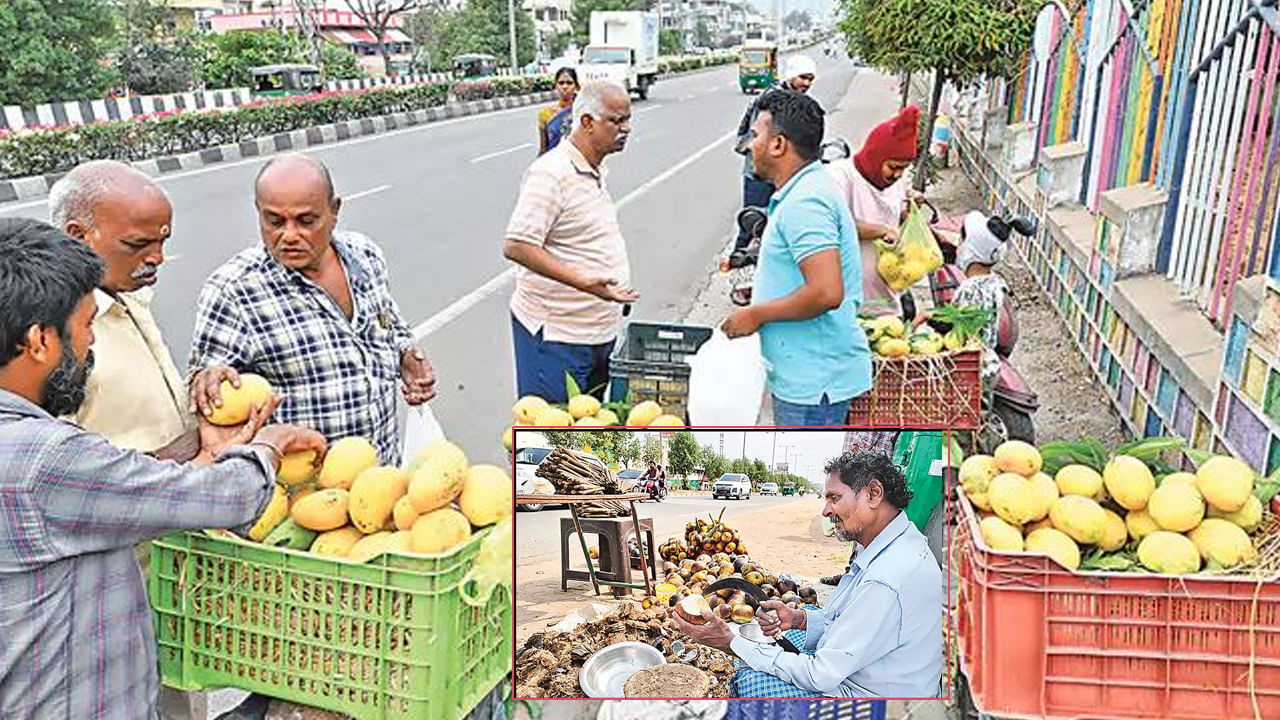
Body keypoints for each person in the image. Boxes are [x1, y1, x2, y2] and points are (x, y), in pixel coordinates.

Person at [0, 217, 327, 719]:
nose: (90, 346)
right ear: (39, 341)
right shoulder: (42, 458)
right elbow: (230, 499)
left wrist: (198, 449)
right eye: (87, 327)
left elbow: (115, 483)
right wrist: (269, 445)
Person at [48, 160, 255, 720]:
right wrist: (206, 465)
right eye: (139, 244)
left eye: (163, 241)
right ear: (78, 237)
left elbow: (143, 406)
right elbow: (59, 476)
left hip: (167, 561)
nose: (157, 258)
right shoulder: (56, 339)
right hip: (109, 584)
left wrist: (202, 393)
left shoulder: (126, 299)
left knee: (184, 696)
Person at [188, 153, 436, 464]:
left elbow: (389, 326)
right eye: (274, 221)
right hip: (307, 495)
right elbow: (208, 393)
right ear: (258, 213)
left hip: (382, 479)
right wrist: (209, 381)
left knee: (516, 500)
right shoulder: (234, 291)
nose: (289, 236)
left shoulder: (365, 257)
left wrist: (405, 354)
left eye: (307, 221)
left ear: (335, 211)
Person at [672, 451, 943, 698]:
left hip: (878, 696)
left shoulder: (886, 579)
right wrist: (800, 619)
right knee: (779, 642)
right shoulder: (890, 544)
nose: (825, 511)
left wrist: (732, 643)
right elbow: (850, 620)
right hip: (875, 668)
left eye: (834, 498)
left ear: (873, 493)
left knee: (750, 678)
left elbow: (821, 675)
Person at [720, 90, 872, 426]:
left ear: (778, 145)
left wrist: (756, 313)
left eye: (756, 136)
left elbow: (826, 292)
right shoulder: (804, 192)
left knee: (802, 474)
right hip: (807, 375)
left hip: (812, 383)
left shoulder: (806, 202)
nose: (749, 146)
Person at [503, 81, 639, 403]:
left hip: (597, 332)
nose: (626, 129)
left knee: (586, 439)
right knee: (555, 444)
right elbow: (517, 245)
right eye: (616, 121)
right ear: (587, 123)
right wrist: (583, 282)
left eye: (628, 119)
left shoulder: (595, 169)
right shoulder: (551, 173)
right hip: (557, 337)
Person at [827, 104, 923, 317]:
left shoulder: (896, 182)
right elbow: (834, 224)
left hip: (887, 304)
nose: (898, 174)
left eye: (903, 169)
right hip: (845, 305)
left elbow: (896, 220)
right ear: (876, 156)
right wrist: (880, 231)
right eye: (894, 167)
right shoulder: (841, 176)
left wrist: (910, 210)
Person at [733, 55, 818, 252]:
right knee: (753, 223)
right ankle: (735, 265)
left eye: (811, 79)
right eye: (803, 77)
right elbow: (757, 136)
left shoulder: (798, 101)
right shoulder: (771, 99)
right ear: (791, 75)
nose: (807, 83)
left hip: (783, 172)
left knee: (778, 224)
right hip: (760, 171)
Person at [538, 67, 580, 155]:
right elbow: (543, 149)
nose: (565, 86)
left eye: (569, 83)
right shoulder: (545, 114)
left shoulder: (582, 111)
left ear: (576, 86)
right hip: (555, 163)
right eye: (561, 83)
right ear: (556, 86)